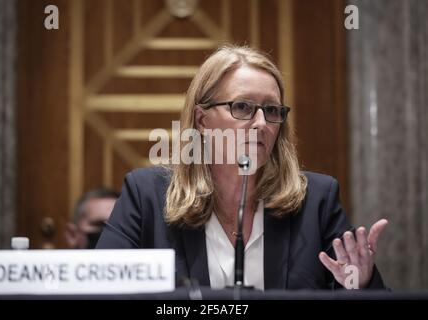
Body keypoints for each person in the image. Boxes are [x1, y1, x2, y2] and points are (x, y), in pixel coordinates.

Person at [97, 45, 388, 290]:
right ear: (202, 120)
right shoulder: (146, 196)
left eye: (272, 110)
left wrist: (360, 285)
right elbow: (101, 289)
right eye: (243, 107)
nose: (261, 124)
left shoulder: (317, 201)